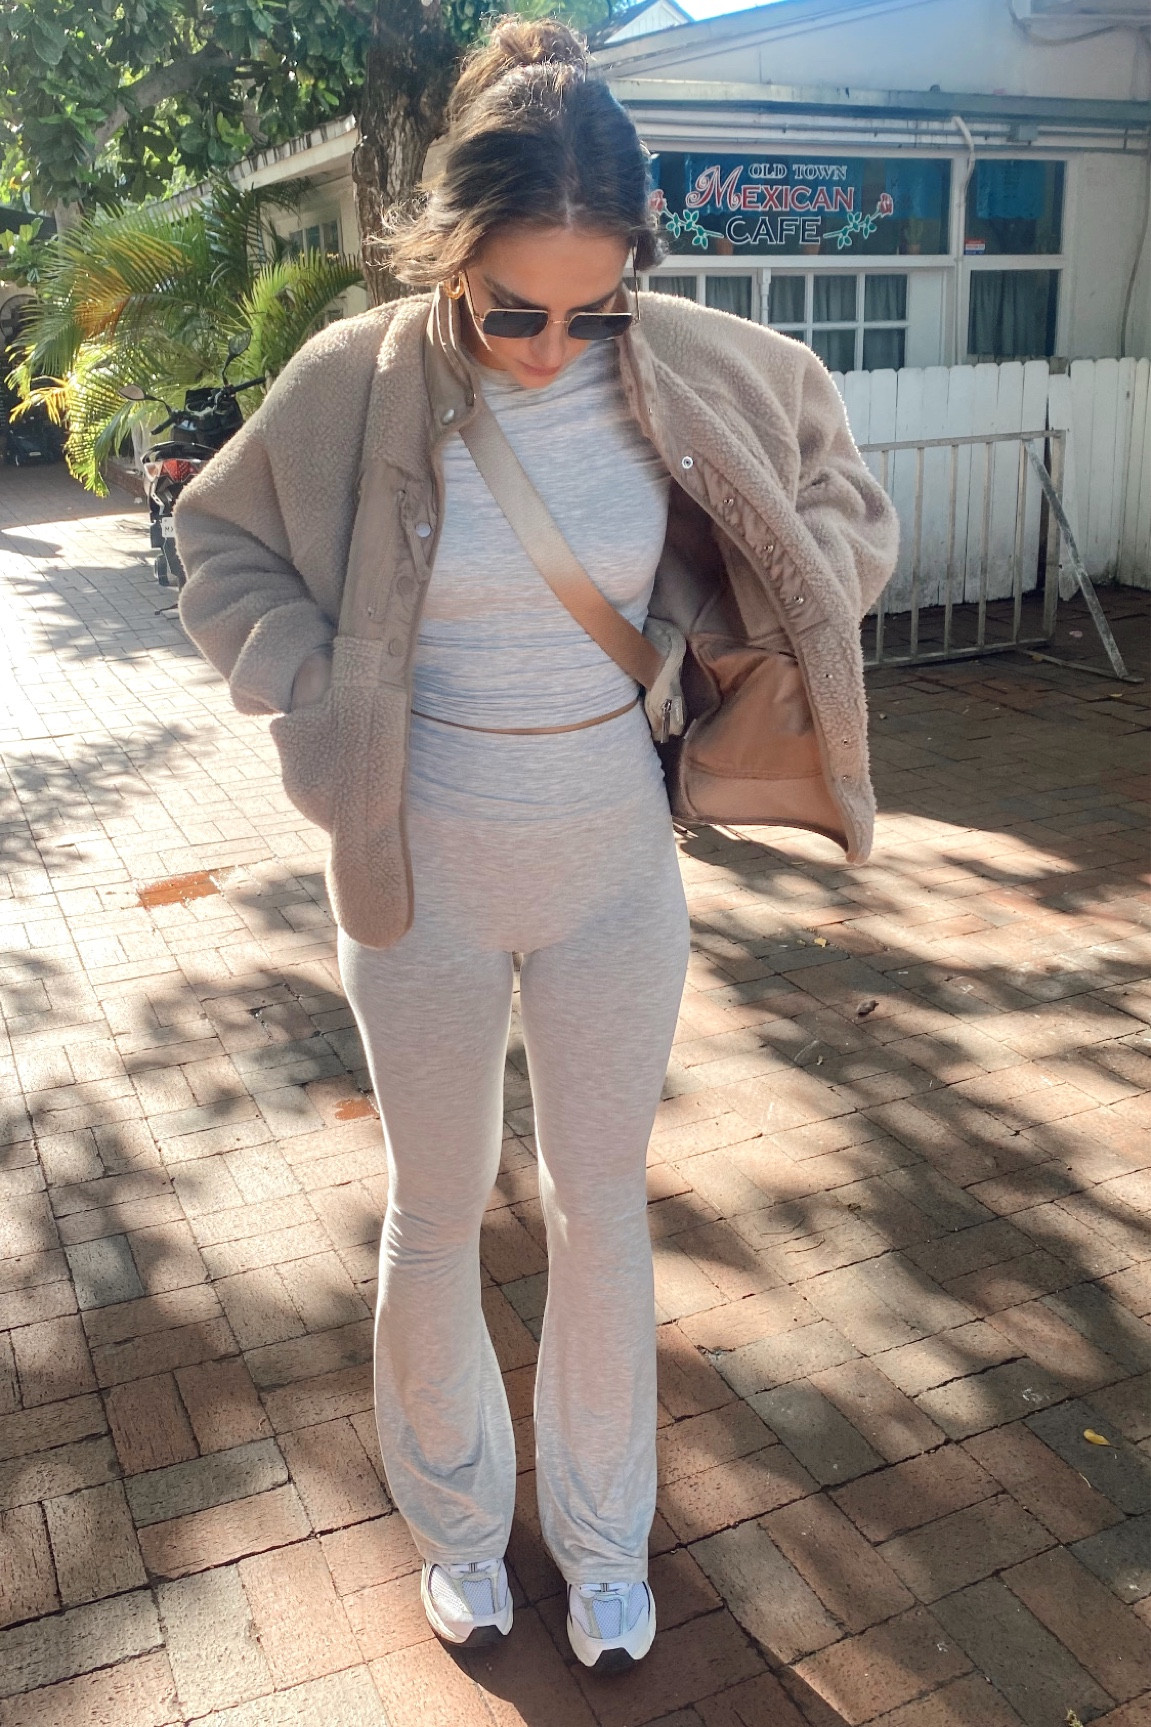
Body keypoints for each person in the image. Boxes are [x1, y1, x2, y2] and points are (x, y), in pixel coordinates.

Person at [174, 16, 897, 1674]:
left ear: (637, 267)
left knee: (601, 1208)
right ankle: (454, 1528)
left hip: (613, 870)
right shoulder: (354, 380)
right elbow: (221, 547)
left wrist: (755, 618)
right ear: (450, 253)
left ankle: (604, 1540)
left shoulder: (705, 365)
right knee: (437, 1212)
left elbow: (845, 511)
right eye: (513, 309)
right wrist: (320, 695)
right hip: (415, 876)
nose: (551, 347)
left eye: (597, 307)